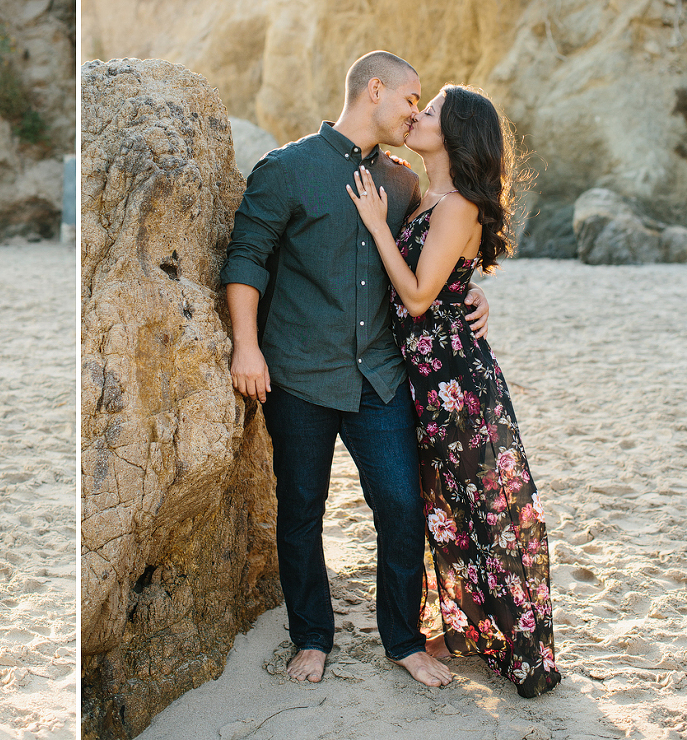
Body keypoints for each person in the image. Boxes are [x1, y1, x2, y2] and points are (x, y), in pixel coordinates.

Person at [221, 50, 491, 689]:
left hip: (381, 378)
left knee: (401, 506)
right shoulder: (285, 169)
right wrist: (246, 346)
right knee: (302, 509)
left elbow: (443, 249)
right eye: (409, 99)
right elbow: (247, 256)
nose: (414, 113)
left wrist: (475, 294)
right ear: (375, 89)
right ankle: (311, 637)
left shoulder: (402, 183)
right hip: (298, 375)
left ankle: (402, 638)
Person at [346, 84, 560, 697]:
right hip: (423, 378)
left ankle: (518, 645)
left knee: (485, 507)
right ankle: (467, 627)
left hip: (456, 381)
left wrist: (374, 226)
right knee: (447, 506)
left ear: (456, 132)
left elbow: (416, 297)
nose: (418, 115)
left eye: (431, 110)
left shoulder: (460, 203)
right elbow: (444, 282)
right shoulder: (425, 193)